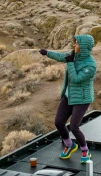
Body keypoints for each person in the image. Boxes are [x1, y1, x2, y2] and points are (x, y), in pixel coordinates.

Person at [39, 34, 96, 163]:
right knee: (58, 122)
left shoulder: (91, 65)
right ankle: (70, 145)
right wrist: (47, 53)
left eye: (76, 44)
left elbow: (76, 79)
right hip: (68, 96)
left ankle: (85, 149)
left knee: (74, 127)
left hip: (81, 99)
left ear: (83, 47)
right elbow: (61, 56)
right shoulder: (73, 55)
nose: (74, 45)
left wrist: (70, 63)